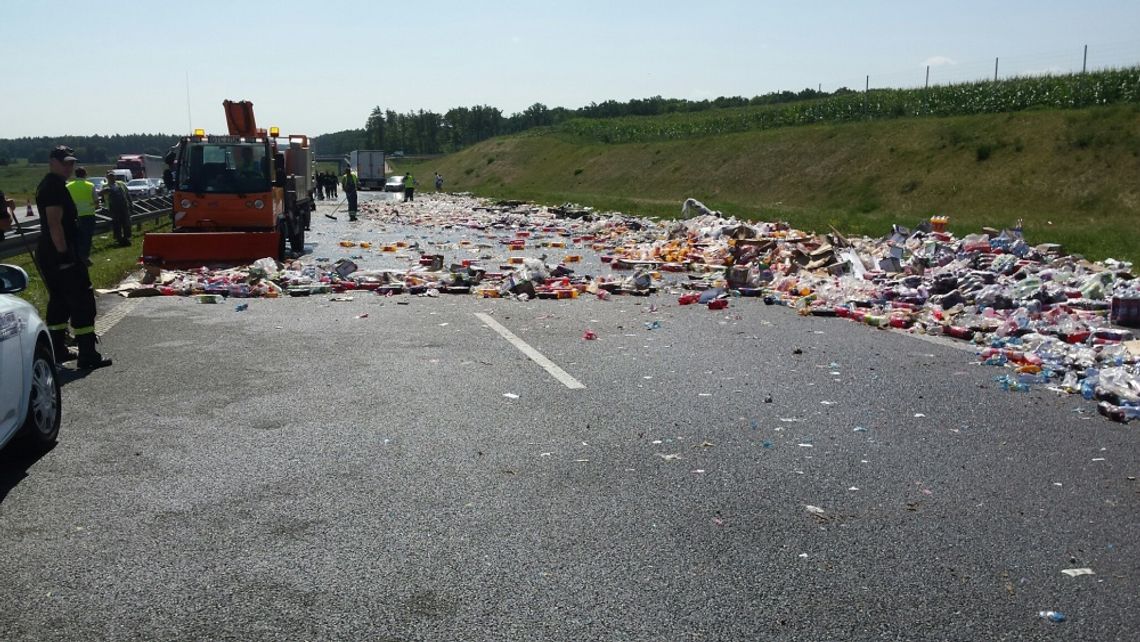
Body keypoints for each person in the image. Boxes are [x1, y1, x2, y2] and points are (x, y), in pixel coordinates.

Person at [36, 145, 111, 369]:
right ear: (52, 161)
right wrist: (64, 256)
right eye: (65, 162)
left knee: (59, 301)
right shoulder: (54, 187)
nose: (69, 166)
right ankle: (87, 354)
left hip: (52, 251)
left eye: (71, 162)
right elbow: (54, 223)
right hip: (59, 251)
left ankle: (57, 350)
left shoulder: (53, 184)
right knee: (82, 300)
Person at [66, 166, 99, 265]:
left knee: (76, 237)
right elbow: (96, 202)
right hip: (88, 215)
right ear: (85, 174)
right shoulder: (90, 185)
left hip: (74, 216)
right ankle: (85, 257)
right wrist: (93, 206)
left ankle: (76, 257)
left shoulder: (68, 186)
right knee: (87, 238)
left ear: (75, 174)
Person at [101, 171, 133, 246]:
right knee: (117, 224)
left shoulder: (120, 184)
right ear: (107, 178)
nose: (111, 178)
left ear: (115, 177)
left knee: (126, 223)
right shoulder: (106, 186)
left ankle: (126, 238)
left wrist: (131, 204)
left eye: (112, 176)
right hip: (113, 208)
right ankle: (119, 239)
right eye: (109, 177)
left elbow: (127, 194)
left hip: (124, 206)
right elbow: (101, 195)